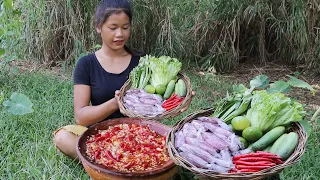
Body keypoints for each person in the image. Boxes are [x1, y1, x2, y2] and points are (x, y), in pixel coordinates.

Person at [53, 0, 195, 160]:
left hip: (139, 134)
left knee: (185, 137)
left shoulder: (142, 63)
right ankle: (116, 162)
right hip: (101, 135)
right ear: (98, 27)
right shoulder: (86, 64)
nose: (120, 34)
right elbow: (81, 116)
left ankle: (109, 164)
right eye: (113, 28)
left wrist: (179, 100)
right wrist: (115, 103)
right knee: (62, 137)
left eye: (125, 27)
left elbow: (156, 102)